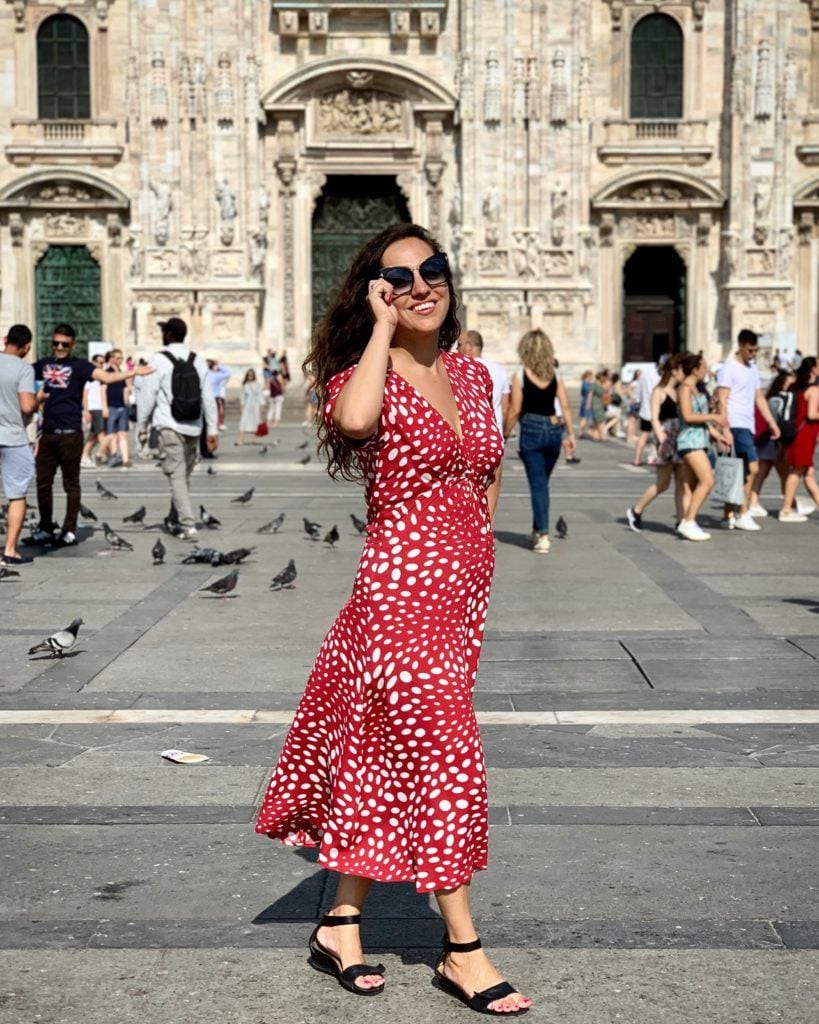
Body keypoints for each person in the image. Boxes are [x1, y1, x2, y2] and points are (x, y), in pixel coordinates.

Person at [254, 224, 530, 1015]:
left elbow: (486, 472)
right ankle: (462, 950)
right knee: (447, 756)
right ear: (374, 293)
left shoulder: (475, 376)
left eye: (431, 270)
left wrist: (481, 557)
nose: (419, 285)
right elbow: (354, 422)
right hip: (397, 597)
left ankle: (340, 922)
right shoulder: (361, 374)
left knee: (380, 750)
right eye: (396, 277)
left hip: (459, 595)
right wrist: (379, 328)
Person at [32, 324, 153, 547]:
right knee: (42, 483)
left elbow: (106, 378)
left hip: (71, 433)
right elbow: (17, 371)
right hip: (48, 433)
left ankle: (69, 529)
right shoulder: (44, 364)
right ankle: (46, 526)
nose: (60, 347)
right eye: (56, 343)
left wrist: (134, 372)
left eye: (64, 344)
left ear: (72, 344)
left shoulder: (81, 366)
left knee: (71, 484)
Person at [136, 318, 218, 540]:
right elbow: (208, 398)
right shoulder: (198, 360)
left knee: (177, 476)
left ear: (170, 335)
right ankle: (174, 519)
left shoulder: (158, 360)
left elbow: (147, 396)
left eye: (164, 331)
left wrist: (141, 426)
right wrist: (212, 430)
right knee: (182, 476)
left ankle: (187, 524)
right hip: (193, 426)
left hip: (168, 426)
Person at [503, 328, 576, 555]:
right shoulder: (554, 374)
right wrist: (571, 434)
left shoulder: (519, 373)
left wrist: (505, 433)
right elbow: (564, 405)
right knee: (542, 484)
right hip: (554, 429)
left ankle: (543, 535)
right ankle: (537, 529)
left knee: (538, 485)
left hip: (532, 430)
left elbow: (515, 408)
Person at [715, 329, 781, 531]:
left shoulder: (752, 368)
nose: (753, 354)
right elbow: (722, 399)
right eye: (751, 350)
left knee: (736, 469)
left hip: (748, 423)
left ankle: (728, 514)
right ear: (742, 345)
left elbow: (759, 397)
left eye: (756, 350)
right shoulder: (728, 368)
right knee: (752, 468)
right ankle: (743, 513)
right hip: (735, 423)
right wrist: (724, 427)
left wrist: (771, 422)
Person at [626, 355, 687, 532]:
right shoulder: (658, 391)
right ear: (674, 371)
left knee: (682, 482)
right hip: (665, 438)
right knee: (663, 483)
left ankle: (681, 520)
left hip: (679, 437)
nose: (685, 373)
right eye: (682, 370)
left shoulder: (678, 391)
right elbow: (654, 417)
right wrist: (661, 439)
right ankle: (636, 510)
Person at [676, 353, 730, 541]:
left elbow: (701, 419)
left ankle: (688, 521)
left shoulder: (697, 389)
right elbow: (688, 416)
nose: (706, 370)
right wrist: (714, 417)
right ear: (695, 369)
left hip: (700, 440)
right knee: (708, 481)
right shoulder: (684, 389)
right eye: (704, 367)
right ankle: (688, 522)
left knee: (691, 485)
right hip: (689, 441)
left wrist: (717, 435)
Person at [0, 325, 38, 567]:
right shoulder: (24, 369)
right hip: (12, 437)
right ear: (27, 347)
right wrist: (38, 400)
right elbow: (26, 406)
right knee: (16, 493)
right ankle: (10, 549)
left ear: (5, 340)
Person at [748, 370, 794, 517]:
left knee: (765, 472)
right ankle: (788, 505)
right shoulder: (777, 400)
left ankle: (754, 502)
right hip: (773, 440)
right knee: (780, 473)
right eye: (789, 383)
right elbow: (775, 421)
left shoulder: (773, 398)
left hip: (769, 440)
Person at [779, 356, 819, 522]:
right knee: (797, 471)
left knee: (808, 473)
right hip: (805, 435)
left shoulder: (798, 388)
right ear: (813, 370)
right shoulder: (814, 390)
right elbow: (811, 414)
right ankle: (786, 510)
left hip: (799, 434)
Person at [457, 329, 510, 440]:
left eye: (459, 344)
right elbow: (505, 407)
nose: (457, 349)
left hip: (469, 438)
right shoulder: (499, 369)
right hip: (495, 436)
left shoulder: (459, 369)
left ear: (469, 346)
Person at [101, 348, 132, 468]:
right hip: (110, 406)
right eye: (118, 358)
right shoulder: (106, 372)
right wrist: (104, 407)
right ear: (112, 359)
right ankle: (111, 455)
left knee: (122, 434)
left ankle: (125, 459)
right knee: (112, 434)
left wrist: (126, 403)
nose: (120, 360)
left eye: (121, 358)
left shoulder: (121, 372)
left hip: (121, 406)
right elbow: (103, 390)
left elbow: (125, 389)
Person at [80, 354, 108, 468]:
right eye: (99, 362)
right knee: (102, 435)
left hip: (99, 407)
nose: (101, 365)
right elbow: (85, 395)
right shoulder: (89, 378)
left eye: (103, 363)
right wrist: (86, 410)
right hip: (94, 407)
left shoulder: (101, 377)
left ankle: (84, 456)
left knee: (93, 436)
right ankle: (101, 454)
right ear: (94, 362)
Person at [632, 359, 661, 465]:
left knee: (643, 435)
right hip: (656, 410)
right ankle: (655, 457)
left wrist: (638, 401)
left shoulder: (644, 376)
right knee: (658, 435)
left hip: (645, 410)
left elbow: (637, 393)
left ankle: (636, 459)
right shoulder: (659, 377)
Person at [237, 368, 264, 445]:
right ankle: (240, 440)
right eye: (249, 375)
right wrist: (242, 406)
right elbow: (243, 396)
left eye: (251, 375)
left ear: (254, 376)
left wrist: (262, 406)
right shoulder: (245, 385)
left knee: (256, 421)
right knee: (243, 421)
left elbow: (260, 395)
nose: (250, 376)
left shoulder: (257, 384)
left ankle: (254, 440)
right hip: (248, 404)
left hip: (256, 404)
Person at [206, 359, 231, 431]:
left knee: (210, 413)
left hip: (210, 397)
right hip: (215, 397)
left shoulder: (208, 373)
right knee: (216, 413)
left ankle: (211, 426)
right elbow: (227, 373)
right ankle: (215, 427)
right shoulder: (217, 375)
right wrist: (219, 366)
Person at [577, 369, 594, 438]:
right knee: (585, 418)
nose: (592, 378)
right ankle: (581, 432)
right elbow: (590, 393)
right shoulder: (587, 384)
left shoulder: (584, 383)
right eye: (591, 376)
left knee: (585, 418)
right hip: (587, 402)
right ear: (588, 376)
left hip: (584, 401)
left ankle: (582, 432)